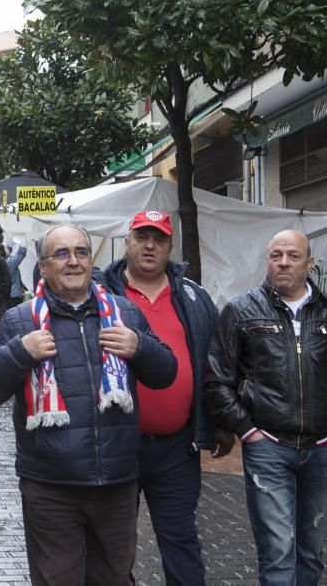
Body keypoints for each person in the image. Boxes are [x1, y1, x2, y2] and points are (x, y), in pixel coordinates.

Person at [0, 224, 176, 586]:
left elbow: (165, 374)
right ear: (44, 266)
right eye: (61, 254)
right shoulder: (21, 320)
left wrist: (139, 347)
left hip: (116, 482)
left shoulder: (123, 314)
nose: (73, 262)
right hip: (51, 486)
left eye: (81, 252)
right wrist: (20, 352)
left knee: (114, 579)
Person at [206, 229, 327, 586]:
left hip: (322, 449)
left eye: (293, 256)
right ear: (267, 260)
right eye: (276, 255)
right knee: (278, 553)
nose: (283, 262)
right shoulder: (241, 311)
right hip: (268, 448)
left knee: (311, 552)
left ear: (309, 263)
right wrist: (247, 431)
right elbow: (217, 378)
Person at [99, 210, 230, 585]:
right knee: (114, 545)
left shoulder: (194, 298)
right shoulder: (103, 296)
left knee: (181, 541)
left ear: (171, 247)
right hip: (116, 443)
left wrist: (218, 423)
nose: (150, 246)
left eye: (159, 239)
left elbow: (214, 362)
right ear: (127, 243)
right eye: (142, 237)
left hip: (177, 446)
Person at [5, 239, 28, 308]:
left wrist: (9, 245)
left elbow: (7, 251)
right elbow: (20, 254)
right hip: (14, 295)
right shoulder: (9, 262)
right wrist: (22, 244)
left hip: (6, 295)